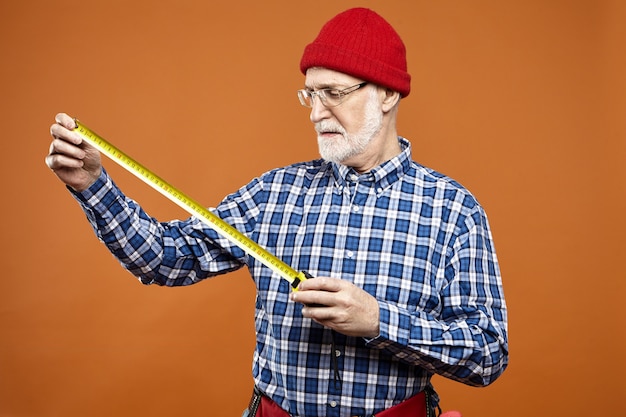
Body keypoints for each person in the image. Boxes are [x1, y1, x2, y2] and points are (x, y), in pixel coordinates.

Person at [46, 7, 508, 417]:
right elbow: (165, 258)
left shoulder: (453, 210)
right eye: (310, 94)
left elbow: (487, 355)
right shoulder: (273, 193)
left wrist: (379, 321)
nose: (315, 112)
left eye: (333, 93)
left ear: (387, 94)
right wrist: (92, 185)